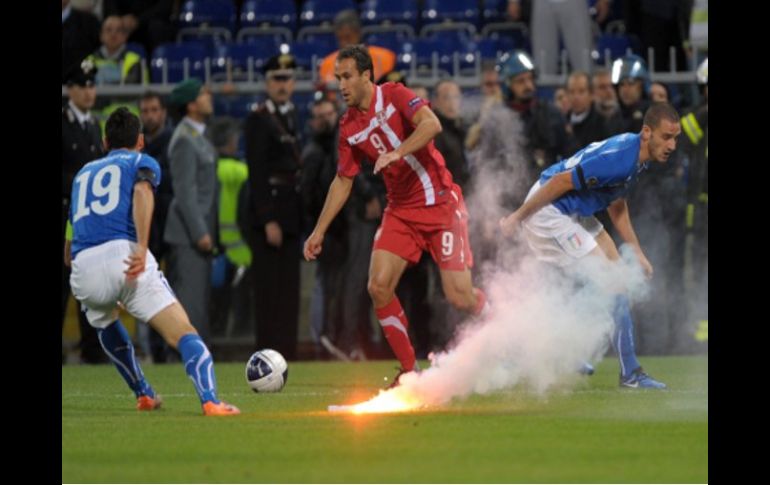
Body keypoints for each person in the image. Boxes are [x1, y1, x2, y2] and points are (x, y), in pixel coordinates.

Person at [303, 45, 488, 387]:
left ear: (366, 76)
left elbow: (431, 125)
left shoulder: (395, 94)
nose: (340, 85)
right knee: (378, 286)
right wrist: (319, 231)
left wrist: (397, 152)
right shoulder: (347, 127)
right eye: (337, 78)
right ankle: (408, 372)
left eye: (346, 77)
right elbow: (343, 181)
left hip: (440, 204)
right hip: (401, 212)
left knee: (459, 296)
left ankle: (497, 315)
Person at [64, 107, 240, 415]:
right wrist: (142, 247)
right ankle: (211, 400)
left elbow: (69, 243)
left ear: (105, 142)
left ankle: (144, 394)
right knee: (184, 332)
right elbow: (143, 193)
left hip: (83, 266)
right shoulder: (141, 161)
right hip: (125, 255)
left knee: (104, 319)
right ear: (141, 141)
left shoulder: (82, 174)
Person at [499, 102, 682, 389]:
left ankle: (614, 367)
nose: (672, 145)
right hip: (550, 211)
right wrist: (518, 217)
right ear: (647, 132)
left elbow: (617, 205)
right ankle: (618, 370)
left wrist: (637, 252)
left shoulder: (636, 158)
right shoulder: (621, 158)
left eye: (676, 138)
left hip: (573, 212)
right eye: (666, 136)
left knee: (616, 282)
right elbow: (560, 181)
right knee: (610, 285)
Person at [243, 54, 303, 360]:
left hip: (291, 212)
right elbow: (257, 172)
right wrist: (268, 219)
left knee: (289, 290)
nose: (283, 85)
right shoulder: (259, 118)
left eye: (287, 78)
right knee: (268, 290)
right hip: (271, 213)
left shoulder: (294, 114)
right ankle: (266, 355)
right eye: (277, 79)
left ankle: (287, 353)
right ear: (267, 83)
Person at [164, 78, 218, 343]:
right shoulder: (184, 139)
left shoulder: (197, 135)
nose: (209, 96)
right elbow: (184, 192)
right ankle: (187, 364)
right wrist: (200, 233)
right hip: (189, 236)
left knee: (200, 302)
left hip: (197, 233)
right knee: (191, 304)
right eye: (203, 93)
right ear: (191, 104)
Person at [62, 58, 108, 364]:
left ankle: (92, 349)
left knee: (91, 285)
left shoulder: (94, 125)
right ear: (70, 89)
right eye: (83, 85)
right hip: (65, 212)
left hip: (88, 221)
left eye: (92, 85)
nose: (89, 92)